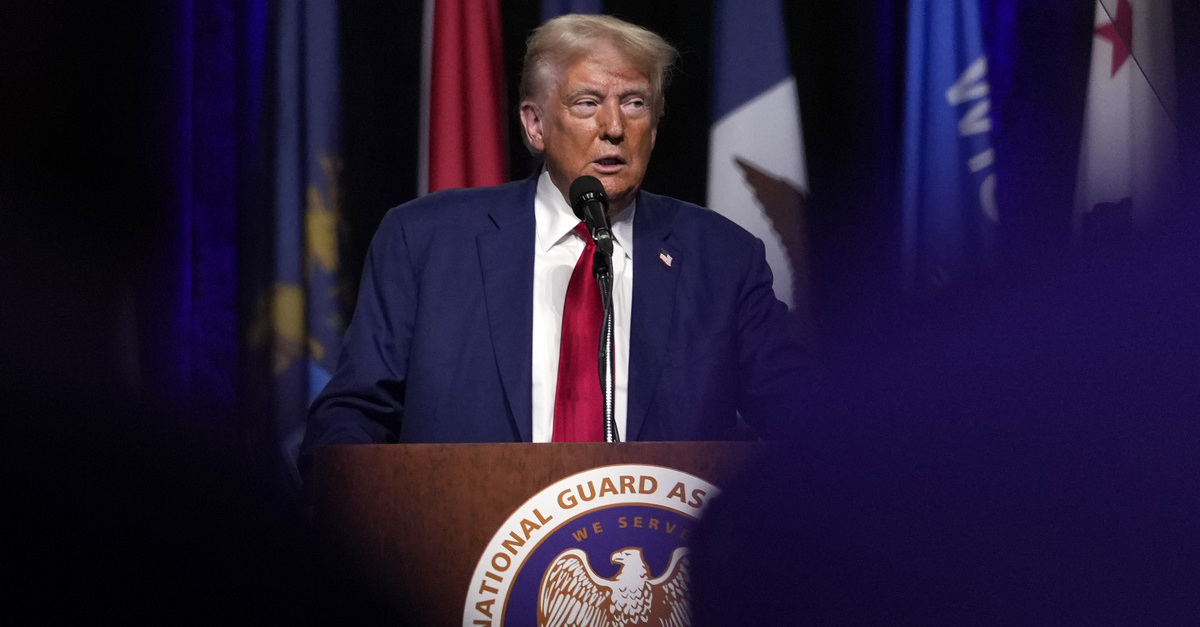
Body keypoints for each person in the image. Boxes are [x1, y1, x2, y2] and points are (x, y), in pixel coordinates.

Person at [301, 14, 803, 471]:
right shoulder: (426, 241)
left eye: (635, 103)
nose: (614, 128)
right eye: (587, 103)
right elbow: (353, 416)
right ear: (535, 125)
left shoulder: (721, 258)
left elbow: (803, 420)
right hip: (464, 558)